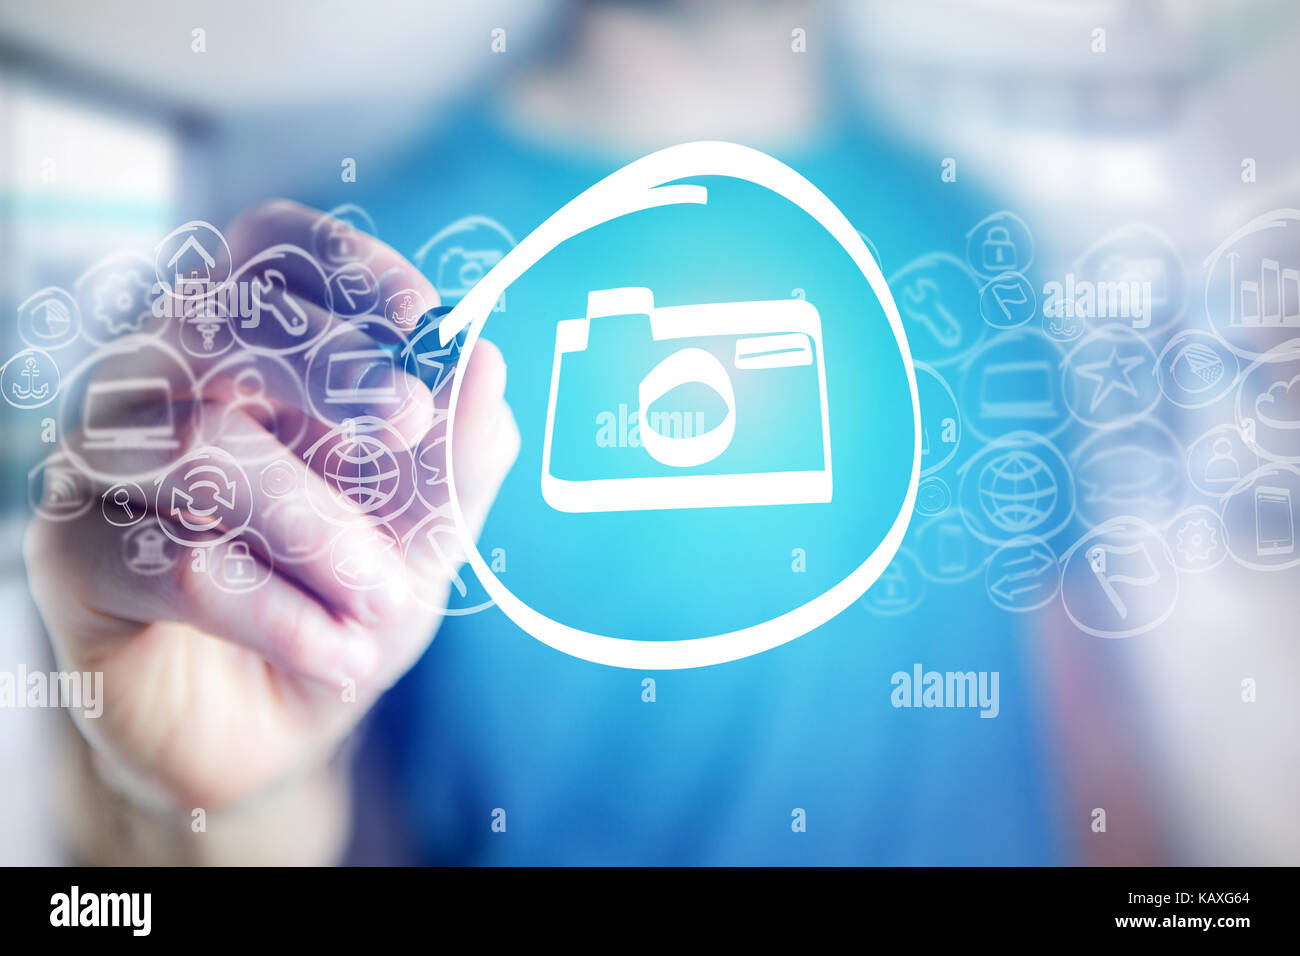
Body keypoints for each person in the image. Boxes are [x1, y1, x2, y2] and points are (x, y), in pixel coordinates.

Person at [27, 1, 1068, 864]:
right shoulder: (334, 307)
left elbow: (1067, 707)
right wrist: (204, 806)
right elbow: (228, 765)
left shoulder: (975, 246)